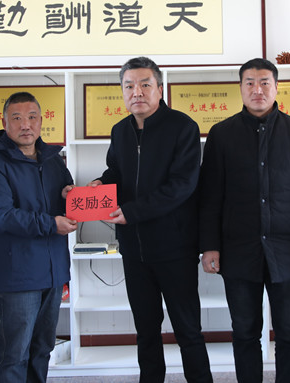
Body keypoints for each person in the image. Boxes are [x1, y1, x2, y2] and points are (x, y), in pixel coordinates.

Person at [199, 57, 290, 383]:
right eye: (250, 83)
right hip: (238, 250)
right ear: (240, 88)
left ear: (276, 87)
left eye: (264, 83)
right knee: (245, 331)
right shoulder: (221, 134)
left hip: (286, 250)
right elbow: (210, 197)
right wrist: (209, 246)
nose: (257, 90)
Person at [90, 57, 213, 383]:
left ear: (160, 88)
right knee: (146, 331)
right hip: (134, 250)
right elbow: (116, 171)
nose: (137, 92)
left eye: (145, 84)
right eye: (129, 86)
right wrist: (101, 184)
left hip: (175, 249)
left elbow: (182, 186)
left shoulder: (183, 127)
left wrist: (133, 211)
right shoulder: (120, 130)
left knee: (188, 330)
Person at [0, 91, 77, 382]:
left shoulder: (53, 159)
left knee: (42, 349)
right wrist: (51, 224)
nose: (26, 125)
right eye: (17, 118)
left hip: (53, 270)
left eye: (32, 117)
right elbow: (0, 216)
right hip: (17, 274)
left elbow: (63, 199)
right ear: (4, 123)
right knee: (15, 353)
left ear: (42, 121)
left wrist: (70, 195)